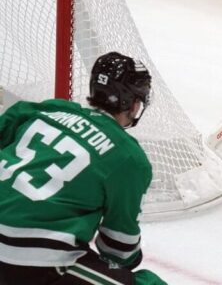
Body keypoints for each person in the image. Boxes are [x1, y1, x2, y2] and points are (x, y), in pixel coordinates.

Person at [0, 52, 166, 285]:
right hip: (26, 260)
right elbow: (119, 249)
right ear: (131, 103)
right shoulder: (129, 156)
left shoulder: (49, 109)